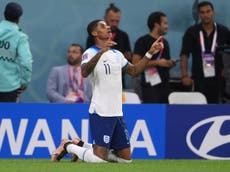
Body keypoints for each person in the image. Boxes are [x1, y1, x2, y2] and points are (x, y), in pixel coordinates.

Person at [51, 19, 163, 163]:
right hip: (101, 110)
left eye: (108, 26)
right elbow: (84, 72)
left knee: (125, 160)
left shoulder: (117, 54)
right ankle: (68, 146)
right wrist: (101, 52)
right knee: (99, 159)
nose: (108, 27)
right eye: (103, 26)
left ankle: (81, 145)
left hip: (117, 111)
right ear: (95, 33)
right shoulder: (89, 53)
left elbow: (134, 71)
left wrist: (149, 53)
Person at [180, 1, 230, 103]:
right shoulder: (191, 32)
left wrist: (227, 70)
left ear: (213, 13)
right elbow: (184, 55)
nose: (205, 15)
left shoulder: (223, 31)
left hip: (219, 79)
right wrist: (185, 75)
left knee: (217, 109)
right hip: (198, 79)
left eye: (208, 11)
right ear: (199, 15)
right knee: (200, 108)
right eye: (202, 12)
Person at [132, 12, 176, 103]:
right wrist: (157, 62)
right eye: (165, 23)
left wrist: (169, 63)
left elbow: (164, 61)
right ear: (156, 25)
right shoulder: (142, 41)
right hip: (150, 87)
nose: (167, 26)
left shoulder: (165, 42)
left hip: (165, 86)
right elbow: (135, 63)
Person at [86, 3, 132, 89]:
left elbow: (129, 57)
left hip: (118, 78)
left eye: (117, 21)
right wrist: (102, 52)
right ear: (105, 18)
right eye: (112, 21)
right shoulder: (92, 38)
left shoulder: (123, 36)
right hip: (98, 79)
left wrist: (149, 54)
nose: (114, 24)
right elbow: (88, 61)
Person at [0, 2, 33, 102]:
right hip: (8, 87)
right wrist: (24, 82)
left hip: (8, 87)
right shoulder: (20, 36)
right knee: (6, 116)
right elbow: (26, 63)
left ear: (4, 13)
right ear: (19, 17)